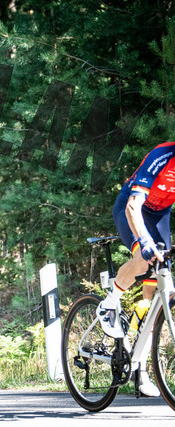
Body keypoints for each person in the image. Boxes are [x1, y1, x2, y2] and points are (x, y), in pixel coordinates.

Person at [96, 142, 175, 397]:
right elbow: (133, 206)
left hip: (159, 214)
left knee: (155, 295)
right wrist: (145, 241)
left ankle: (139, 366)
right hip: (130, 208)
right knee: (143, 259)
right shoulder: (162, 156)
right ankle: (109, 303)